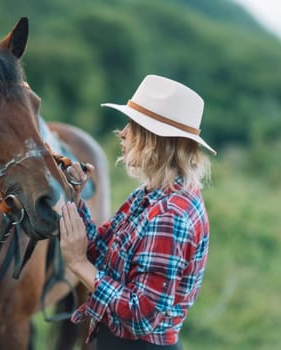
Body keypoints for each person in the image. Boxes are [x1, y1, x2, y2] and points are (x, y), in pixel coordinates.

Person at [59, 74, 216, 349]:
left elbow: (140, 315)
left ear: (153, 140)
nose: (123, 133)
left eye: (132, 125)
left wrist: (78, 265)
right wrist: (76, 196)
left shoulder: (170, 216)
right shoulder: (152, 194)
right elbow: (104, 254)